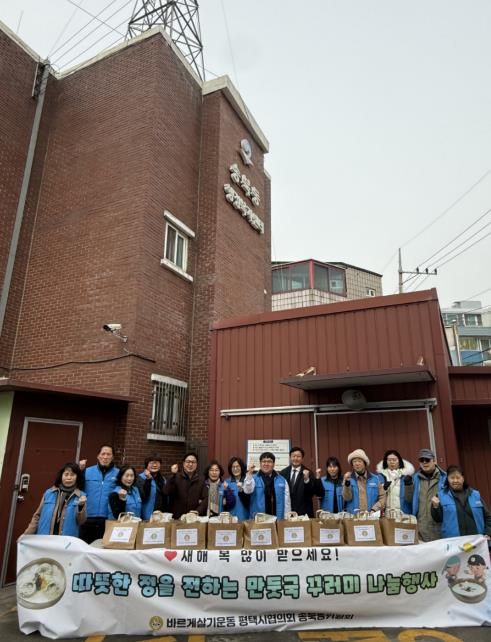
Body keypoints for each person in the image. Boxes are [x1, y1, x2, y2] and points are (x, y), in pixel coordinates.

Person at [24, 463, 87, 537]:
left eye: (72, 475)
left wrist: (81, 507)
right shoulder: (49, 493)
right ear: (61, 476)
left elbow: (81, 521)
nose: (69, 477)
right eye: (66, 474)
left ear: (77, 477)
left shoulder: (81, 496)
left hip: (66, 541)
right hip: (44, 538)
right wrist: (26, 535)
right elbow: (37, 516)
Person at [430, 464, 491, 540]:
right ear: (448, 479)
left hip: (477, 541)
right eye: (452, 478)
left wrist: (488, 533)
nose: (455, 480)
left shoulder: (475, 495)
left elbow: (488, 516)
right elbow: (437, 519)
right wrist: (435, 507)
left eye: (458, 477)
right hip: (454, 543)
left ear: (463, 479)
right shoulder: (441, 496)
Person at [79, 444, 119, 543]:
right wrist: (79, 470)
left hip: (107, 519)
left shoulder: (118, 473)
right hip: (87, 518)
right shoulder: (87, 471)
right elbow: (77, 487)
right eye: (103, 454)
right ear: (98, 456)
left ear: (113, 457)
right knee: (85, 547)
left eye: (108, 454)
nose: (105, 457)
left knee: (102, 549)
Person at [405, 448, 446, 542]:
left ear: (434, 461)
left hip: (440, 526)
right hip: (421, 528)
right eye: (421, 460)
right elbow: (409, 500)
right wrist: (408, 485)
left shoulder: (444, 478)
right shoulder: (414, 478)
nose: (424, 462)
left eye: (427, 460)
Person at [243, 451, 291, 519]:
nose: (266, 464)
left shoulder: (282, 480)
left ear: (273, 464)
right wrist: (249, 474)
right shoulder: (253, 478)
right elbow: (247, 491)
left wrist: (287, 517)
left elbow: (287, 502)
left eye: (269, 461)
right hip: (258, 519)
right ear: (260, 464)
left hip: (278, 519)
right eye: (264, 461)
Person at [280, 446, 324, 517]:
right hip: (287, 512)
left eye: (298, 456)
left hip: (304, 513)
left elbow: (312, 493)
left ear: (302, 458)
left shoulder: (309, 473)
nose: (296, 458)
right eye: (293, 456)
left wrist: (306, 480)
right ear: (290, 457)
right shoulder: (283, 473)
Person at [163, 452, 208, 519]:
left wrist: (198, 511)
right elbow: (166, 492)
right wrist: (173, 475)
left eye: (193, 462)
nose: (190, 464)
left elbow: (206, 498)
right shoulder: (176, 477)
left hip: (193, 518)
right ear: (183, 463)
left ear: (196, 464)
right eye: (188, 462)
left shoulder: (201, 479)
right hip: (177, 518)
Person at [342, 448, 385, 514]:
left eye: (359, 461)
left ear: (365, 463)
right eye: (354, 461)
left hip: (371, 516)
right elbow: (347, 498)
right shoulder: (348, 478)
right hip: (353, 517)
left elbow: (382, 497)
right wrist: (347, 483)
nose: (357, 464)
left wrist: (374, 509)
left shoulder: (375, 479)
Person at [376, 449, 414, 514]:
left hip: (403, 513)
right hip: (386, 513)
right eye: (389, 460)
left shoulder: (406, 476)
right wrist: (383, 489)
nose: (392, 462)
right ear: (386, 462)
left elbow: (411, 498)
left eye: (394, 460)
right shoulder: (380, 477)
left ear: (399, 461)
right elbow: (376, 497)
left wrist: (409, 484)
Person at [138, 454, 167, 520]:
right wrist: (148, 479)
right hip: (146, 516)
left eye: (157, 463)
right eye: (151, 463)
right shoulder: (140, 478)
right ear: (146, 465)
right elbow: (142, 497)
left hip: (161, 515)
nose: (154, 465)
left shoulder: (163, 479)